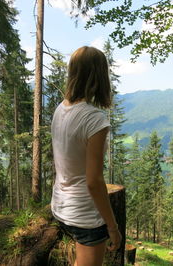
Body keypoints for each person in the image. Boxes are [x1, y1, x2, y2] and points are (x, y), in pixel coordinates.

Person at [51, 46, 122, 266]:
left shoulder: (60, 109)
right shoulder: (94, 119)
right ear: (100, 75)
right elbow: (94, 181)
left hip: (61, 204)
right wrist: (113, 226)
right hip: (85, 214)